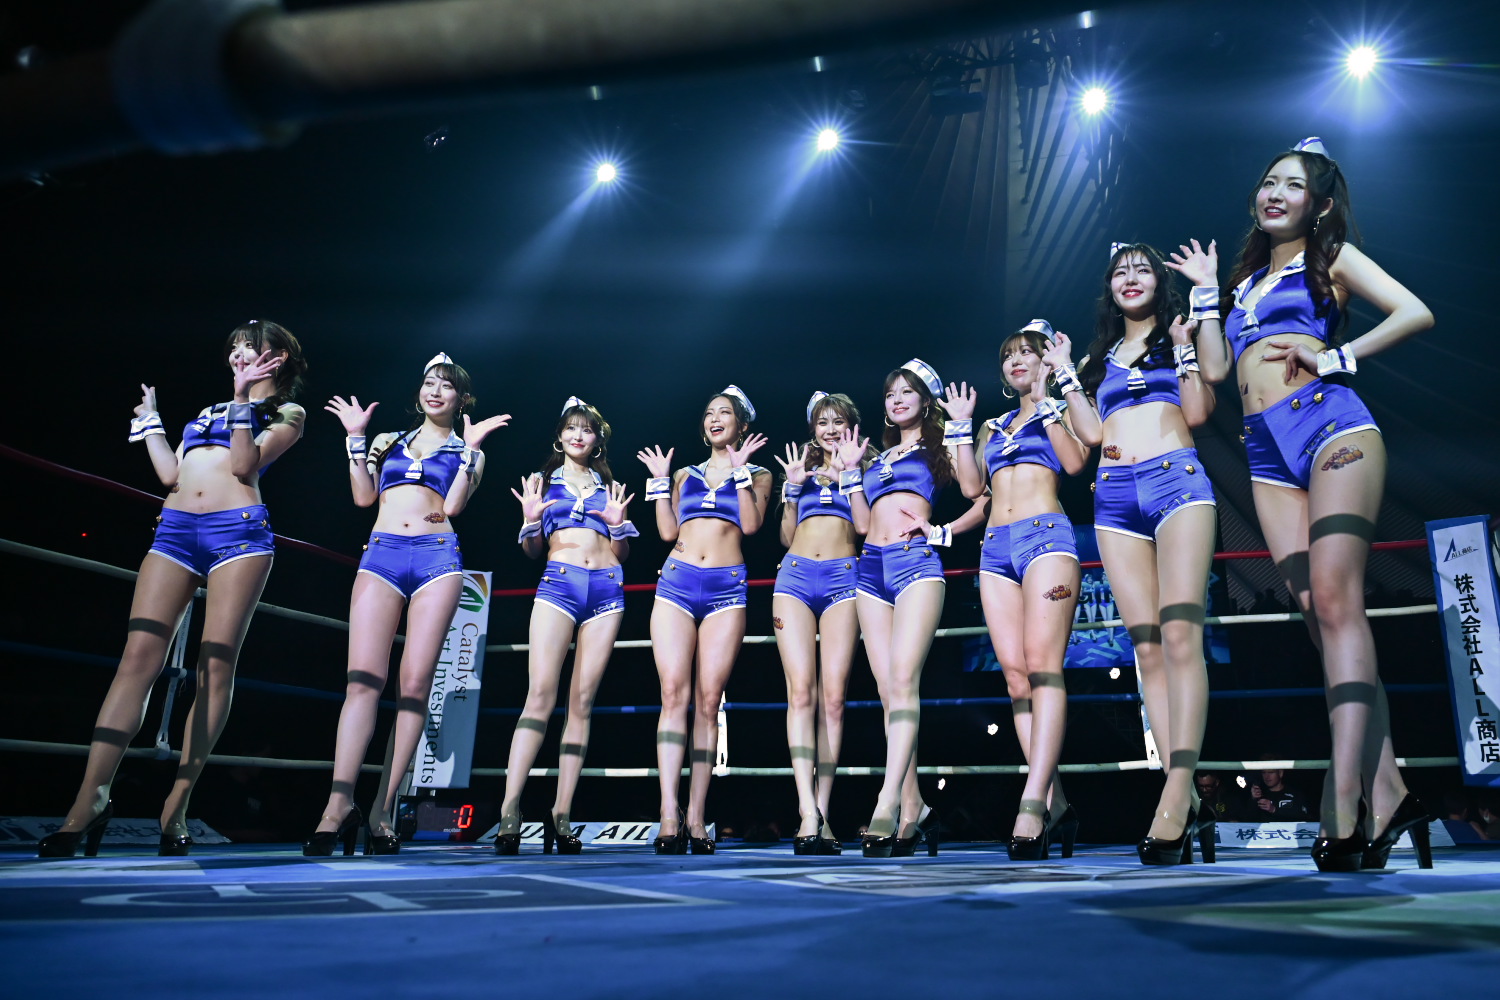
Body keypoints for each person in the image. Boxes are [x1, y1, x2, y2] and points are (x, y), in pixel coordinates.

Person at [1219, 137, 1435, 871]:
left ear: (1319, 204)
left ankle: (1341, 803)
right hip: (1263, 450)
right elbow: (1218, 371)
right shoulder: (1246, 282)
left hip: (1330, 425)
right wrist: (1201, 301)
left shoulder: (1330, 257)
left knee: (1339, 604)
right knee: (1318, 617)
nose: (1274, 193)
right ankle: (1391, 791)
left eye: (1291, 184)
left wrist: (1341, 355)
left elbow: (1414, 311)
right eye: (1268, 181)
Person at [39, 320, 307, 858]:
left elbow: (244, 465)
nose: (237, 354)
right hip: (176, 530)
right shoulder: (208, 410)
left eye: (249, 347)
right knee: (137, 658)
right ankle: (90, 800)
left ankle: (177, 804)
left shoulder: (287, 413)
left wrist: (241, 399)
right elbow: (171, 474)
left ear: (276, 358)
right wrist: (152, 424)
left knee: (215, 663)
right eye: (233, 347)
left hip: (239, 534)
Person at [1061, 239, 1224, 866]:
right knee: (1147, 646)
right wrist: (1067, 375)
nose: (1130, 278)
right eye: (1120, 272)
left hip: (1175, 480)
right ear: (1109, 288)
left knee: (1182, 636)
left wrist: (1184, 348)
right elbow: (1091, 435)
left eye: (1142, 270)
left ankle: (1178, 792)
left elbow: (1199, 410)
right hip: (1113, 495)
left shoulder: (1178, 334)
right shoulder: (1097, 358)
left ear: (1160, 282)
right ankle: (1182, 795)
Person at [306, 353, 509, 856]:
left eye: (446, 385)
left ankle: (382, 808)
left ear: (462, 398)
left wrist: (471, 451)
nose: (435, 391)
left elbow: (453, 507)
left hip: (438, 558)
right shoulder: (387, 441)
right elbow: (363, 497)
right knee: (362, 681)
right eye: (429, 382)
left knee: (414, 686)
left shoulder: (468, 449)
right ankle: (337, 805)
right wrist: (355, 439)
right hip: (382, 555)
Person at [957, 321, 1089, 860]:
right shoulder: (993, 426)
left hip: (1046, 537)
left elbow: (1077, 463)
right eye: (1008, 354)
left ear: (1045, 361)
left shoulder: (1059, 409)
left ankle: (1032, 802)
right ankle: (1057, 801)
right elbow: (972, 487)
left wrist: (1049, 398)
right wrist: (961, 427)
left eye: (1027, 352)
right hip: (994, 548)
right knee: (1014, 677)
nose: (1015, 360)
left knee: (1043, 667)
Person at [847, 360, 985, 858]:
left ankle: (885, 803)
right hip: (869, 569)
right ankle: (916, 808)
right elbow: (862, 525)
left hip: (915, 564)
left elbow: (978, 494)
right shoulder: (876, 456)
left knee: (904, 682)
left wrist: (944, 532)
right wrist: (849, 473)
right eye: (891, 394)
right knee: (888, 693)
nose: (898, 399)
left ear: (926, 401)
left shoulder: (940, 445)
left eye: (908, 392)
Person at [494, 397, 636, 855]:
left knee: (582, 703)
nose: (578, 435)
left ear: (597, 441)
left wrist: (619, 527)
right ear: (559, 436)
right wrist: (530, 520)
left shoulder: (609, 486)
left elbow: (621, 553)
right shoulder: (542, 482)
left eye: (587, 429)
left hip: (607, 590)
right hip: (558, 585)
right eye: (572, 428)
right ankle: (510, 810)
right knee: (539, 696)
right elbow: (532, 551)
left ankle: (562, 814)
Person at [637, 386, 771, 855]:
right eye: (710, 413)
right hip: (676, 583)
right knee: (673, 694)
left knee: (709, 702)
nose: (715, 419)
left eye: (725, 413)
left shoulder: (759, 473)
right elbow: (666, 530)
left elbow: (751, 525)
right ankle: (667, 813)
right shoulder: (684, 474)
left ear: (742, 425)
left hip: (725, 589)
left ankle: (696, 815)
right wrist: (659, 481)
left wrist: (740, 472)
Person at [770, 392, 874, 855]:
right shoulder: (800, 468)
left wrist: (852, 472)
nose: (830, 429)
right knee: (801, 693)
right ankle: (806, 811)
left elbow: (866, 527)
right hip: (794, 577)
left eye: (838, 421)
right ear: (812, 429)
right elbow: (785, 536)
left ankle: (823, 813)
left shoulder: (868, 463)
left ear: (851, 425)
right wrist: (792, 491)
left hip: (844, 578)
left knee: (833, 698)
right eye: (822, 422)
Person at [1247, 769, 1313, 821]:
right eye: (1264, 773)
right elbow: (1248, 820)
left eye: (1271, 772)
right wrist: (1253, 800)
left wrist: (1274, 810)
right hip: (1265, 834)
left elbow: (1304, 816)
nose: (1267, 776)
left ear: (1280, 773)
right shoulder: (1260, 794)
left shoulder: (1295, 793)